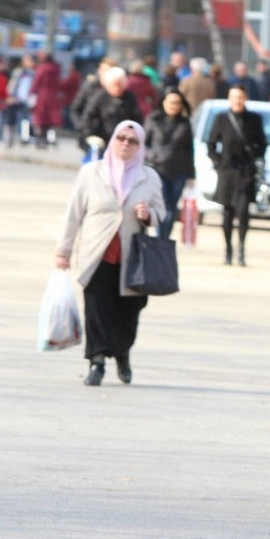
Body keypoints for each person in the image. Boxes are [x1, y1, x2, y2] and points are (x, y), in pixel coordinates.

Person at [55, 120, 166, 387]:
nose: (126, 144)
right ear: (113, 140)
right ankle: (96, 361)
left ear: (140, 146)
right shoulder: (91, 173)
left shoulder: (149, 177)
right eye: (121, 138)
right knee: (96, 308)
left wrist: (148, 215)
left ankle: (122, 354)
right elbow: (73, 214)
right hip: (97, 252)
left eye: (133, 141)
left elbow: (162, 212)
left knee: (129, 311)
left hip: (133, 257)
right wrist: (63, 251)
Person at [207, 85, 266, 266]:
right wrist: (218, 163)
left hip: (246, 172)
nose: (237, 101)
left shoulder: (254, 119)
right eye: (234, 97)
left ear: (245, 98)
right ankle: (228, 250)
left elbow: (262, 144)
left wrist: (255, 158)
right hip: (227, 172)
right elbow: (211, 144)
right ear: (229, 99)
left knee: (243, 211)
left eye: (240, 97)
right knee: (227, 213)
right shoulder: (222, 118)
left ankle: (241, 249)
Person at [144, 87, 195, 239]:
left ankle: (164, 240)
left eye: (177, 103)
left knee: (172, 209)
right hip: (158, 169)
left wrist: (192, 174)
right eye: (171, 102)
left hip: (179, 171)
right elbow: (143, 144)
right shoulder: (154, 119)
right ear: (164, 102)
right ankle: (160, 239)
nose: (174, 106)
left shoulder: (184, 123)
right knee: (163, 205)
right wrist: (153, 156)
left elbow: (190, 149)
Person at [80, 66, 144, 154]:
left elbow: (137, 118)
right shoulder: (100, 97)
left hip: (123, 141)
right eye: (115, 85)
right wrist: (89, 135)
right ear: (108, 85)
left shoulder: (130, 97)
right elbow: (87, 117)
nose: (117, 88)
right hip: (102, 140)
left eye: (120, 85)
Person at [30, 51, 62, 148]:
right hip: (53, 95)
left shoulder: (42, 68)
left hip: (42, 95)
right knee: (51, 119)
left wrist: (32, 93)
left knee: (40, 119)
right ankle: (51, 139)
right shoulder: (56, 68)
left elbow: (36, 82)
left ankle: (40, 140)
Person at [4, 54, 36, 147]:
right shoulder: (18, 72)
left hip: (27, 100)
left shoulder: (34, 73)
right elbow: (12, 85)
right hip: (16, 98)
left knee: (25, 120)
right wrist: (10, 96)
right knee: (11, 120)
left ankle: (24, 138)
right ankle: (9, 139)